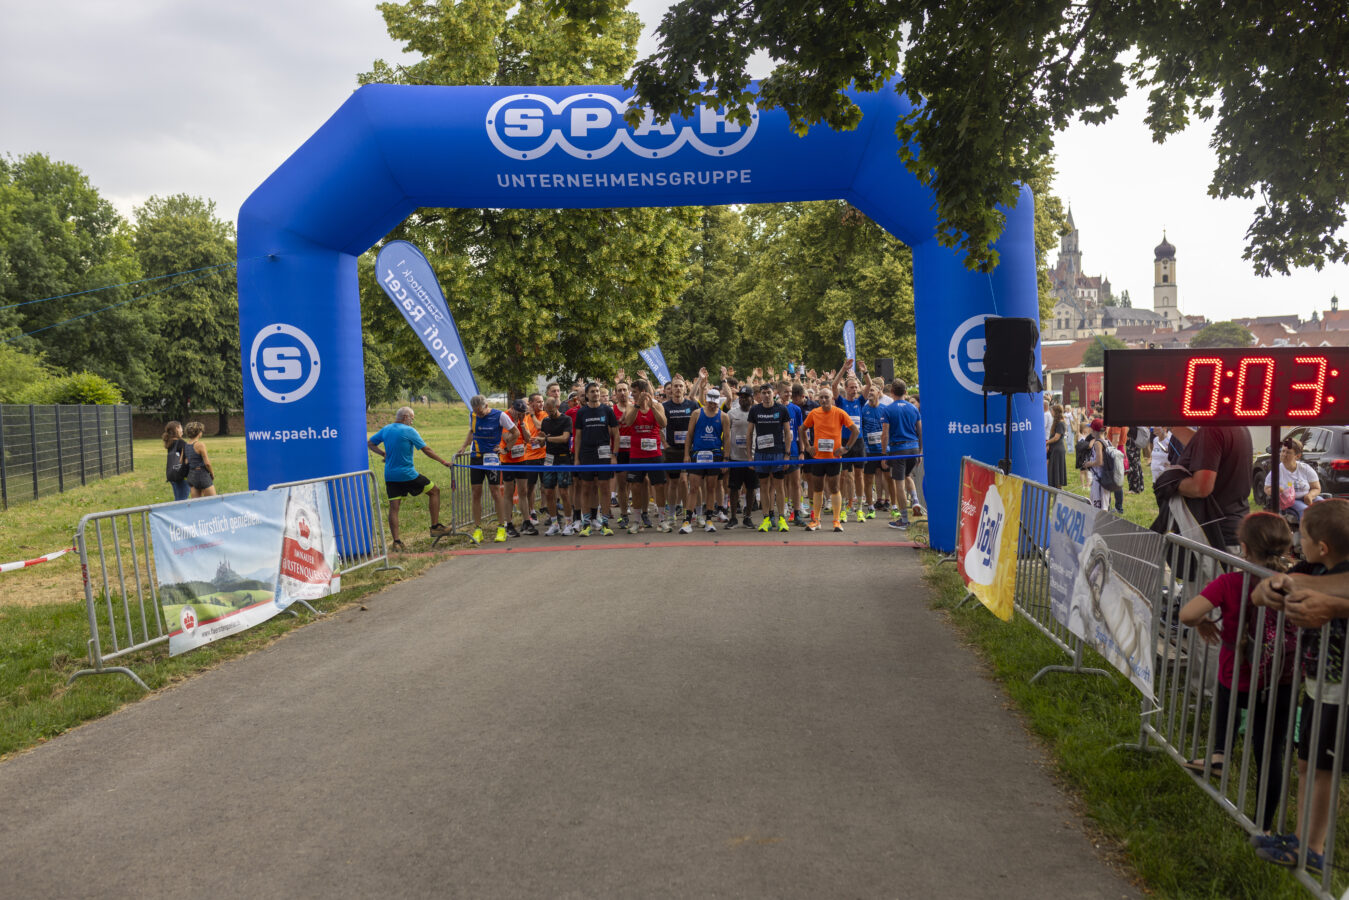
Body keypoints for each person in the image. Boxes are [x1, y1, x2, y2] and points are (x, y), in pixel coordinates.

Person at [1178, 512, 1295, 835]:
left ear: (1243, 547)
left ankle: (1219, 753)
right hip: (1280, 681)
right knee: (1270, 752)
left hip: (1236, 675)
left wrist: (1202, 621)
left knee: (1226, 708)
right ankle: (1263, 825)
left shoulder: (1231, 582)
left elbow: (1188, 614)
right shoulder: (1296, 584)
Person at [1250, 500, 1349, 876]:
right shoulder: (1311, 568)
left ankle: (1313, 847)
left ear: (1322, 545)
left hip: (1340, 688)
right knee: (1307, 763)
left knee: (1323, 767)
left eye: (1302, 536)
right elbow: (1262, 592)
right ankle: (1301, 837)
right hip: (1317, 682)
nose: (1296, 540)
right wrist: (1269, 589)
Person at [368, 406, 453, 550]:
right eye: (412, 419)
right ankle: (435, 527)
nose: (412, 422)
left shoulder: (387, 429)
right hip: (408, 475)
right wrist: (443, 461)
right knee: (434, 491)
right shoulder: (409, 431)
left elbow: (370, 443)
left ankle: (397, 542)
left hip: (390, 476)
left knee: (394, 508)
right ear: (406, 417)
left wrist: (383, 454)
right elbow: (427, 450)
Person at [1174, 425, 1255, 551]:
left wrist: (1171, 482)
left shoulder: (1212, 430)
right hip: (1235, 529)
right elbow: (1205, 447)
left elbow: (1201, 488)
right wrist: (1175, 427)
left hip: (1215, 538)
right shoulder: (1239, 428)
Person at [454, 396, 518, 544]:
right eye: (477, 412)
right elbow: (471, 431)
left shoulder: (500, 415)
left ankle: (502, 527)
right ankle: (477, 529)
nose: (479, 415)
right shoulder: (473, 415)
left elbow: (515, 433)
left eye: (481, 412)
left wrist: (505, 449)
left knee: (495, 491)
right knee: (476, 492)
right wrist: (464, 446)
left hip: (492, 457)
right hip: (476, 456)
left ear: (486, 405)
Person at [801, 387, 857, 532]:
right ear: (818, 399)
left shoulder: (839, 412)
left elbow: (855, 431)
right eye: (822, 397)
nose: (824, 400)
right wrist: (807, 447)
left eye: (827, 397)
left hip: (834, 458)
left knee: (834, 488)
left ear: (832, 398)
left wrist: (846, 448)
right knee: (817, 488)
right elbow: (802, 429)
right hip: (818, 458)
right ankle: (816, 521)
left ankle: (837, 521)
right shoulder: (814, 413)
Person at [620, 379, 671, 532]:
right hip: (636, 454)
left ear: (643, 392)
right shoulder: (630, 407)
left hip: (654, 453)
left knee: (660, 486)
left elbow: (663, 423)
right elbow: (628, 422)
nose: (632, 395)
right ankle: (636, 521)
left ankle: (662, 520)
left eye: (634, 392)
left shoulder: (658, 405)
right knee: (635, 486)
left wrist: (652, 405)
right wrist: (637, 405)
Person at [573, 382, 619, 536]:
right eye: (592, 391)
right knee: (586, 487)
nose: (596, 394)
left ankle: (605, 522)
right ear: (586, 395)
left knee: (604, 488)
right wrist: (577, 459)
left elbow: (616, 434)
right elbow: (578, 436)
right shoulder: (582, 412)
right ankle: (586, 523)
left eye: (598, 391)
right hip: (586, 453)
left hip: (604, 453)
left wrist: (614, 455)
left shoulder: (607, 410)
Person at [747, 382, 792, 532]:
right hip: (761, 454)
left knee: (779, 486)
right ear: (760, 395)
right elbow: (748, 435)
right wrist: (749, 456)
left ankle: (781, 519)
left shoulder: (782, 409)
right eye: (763, 393)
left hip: (778, 453)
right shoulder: (755, 410)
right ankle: (766, 518)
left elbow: (788, 433)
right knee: (764, 487)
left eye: (769, 393)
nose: (766, 396)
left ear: (774, 393)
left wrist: (787, 454)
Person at [682, 388, 728, 534]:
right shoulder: (697, 413)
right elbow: (689, 435)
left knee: (711, 487)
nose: (713, 405)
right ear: (706, 399)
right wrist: (686, 455)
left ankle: (709, 519)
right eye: (710, 402)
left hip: (715, 455)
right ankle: (687, 520)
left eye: (715, 402)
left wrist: (726, 458)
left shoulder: (723, 416)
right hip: (698, 454)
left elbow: (727, 438)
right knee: (694, 487)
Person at [883, 379, 922, 529]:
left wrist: (884, 453)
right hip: (913, 449)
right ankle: (916, 500)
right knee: (907, 476)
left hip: (898, 450)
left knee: (899, 483)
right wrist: (920, 451)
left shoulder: (888, 409)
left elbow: (885, 434)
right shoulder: (913, 408)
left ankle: (904, 520)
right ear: (906, 392)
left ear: (892, 392)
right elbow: (920, 431)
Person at [537, 396, 575, 536]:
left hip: (563, 458)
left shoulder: (566, 420)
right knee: (548, 492)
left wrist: (546, 438)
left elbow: (565, 438)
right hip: (549, 458)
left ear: (556, 408)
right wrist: (539, 439)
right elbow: (542, 442)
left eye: (551, 411)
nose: (549, 414)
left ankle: (569, 523)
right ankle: (554, 523)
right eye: (547, 411)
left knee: (564, 492)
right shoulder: (545, 421)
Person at [662, 377, 699, 520]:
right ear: (671, 389)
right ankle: (671, 514)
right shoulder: (665, 406)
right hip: (672, 449)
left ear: (685, 389)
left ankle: (687, 511)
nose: (677, 389)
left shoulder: (692, 405)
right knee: (673, 482)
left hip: (689, 449)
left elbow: (698, 425)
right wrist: (665, 444)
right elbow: (658, 426)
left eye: (680, 386)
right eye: (675, 386)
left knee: (685, 481)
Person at [725, 384, 759, 528]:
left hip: (752, 457)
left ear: (752, 399)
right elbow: (726, 436)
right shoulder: (731, 414)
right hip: (735, 457)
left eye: (746, 397)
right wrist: (726, 456)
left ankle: (748, 517)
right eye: (741, 397)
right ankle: (733, 517)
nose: (743, 400)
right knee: (734, 488)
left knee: (751, 488)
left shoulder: (757, 413)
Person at [1265, 436, 1323, 521]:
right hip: (1290, 501)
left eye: (1288, 452)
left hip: (1307, 497)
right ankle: (1306, 533)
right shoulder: (1276, 470)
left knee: (1326, 507)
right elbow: (1266, 488)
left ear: (1297, 456)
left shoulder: (1305, 468)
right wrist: (1276, 490)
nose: (1284, 454)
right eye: (1283, 451)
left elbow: (1316, 488)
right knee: (1305, 511)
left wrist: (1310, 496)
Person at [182, 421, 217, 499]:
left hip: (191, 476)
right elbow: (207, 463)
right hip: (201, 474)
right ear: (199, 432)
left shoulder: (186, 445)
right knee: (214, 501)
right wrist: (212, 473)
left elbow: (184, 461)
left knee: (196, 504)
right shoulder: (200, 444)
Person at [162, 421, 190, 502]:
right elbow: (186, 458)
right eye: (181, 428)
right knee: (182, 501)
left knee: (178, 499)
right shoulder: (180, 442)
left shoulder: (170, 443)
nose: (182, 430)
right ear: (177, 428)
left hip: (172, 474)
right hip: (181, 475)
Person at [1045, 404, 1068, 490]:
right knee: (1054, 469)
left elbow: (1056, 437)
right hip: (1054, 449)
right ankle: (1056, 489)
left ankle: (1059, 489)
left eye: (1052, 411)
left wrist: (1047, 443)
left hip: (1058, 449)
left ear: (1056, 412)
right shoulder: (1057, 422)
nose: (1051, 412)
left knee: (1058, 470)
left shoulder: (1061, 423)